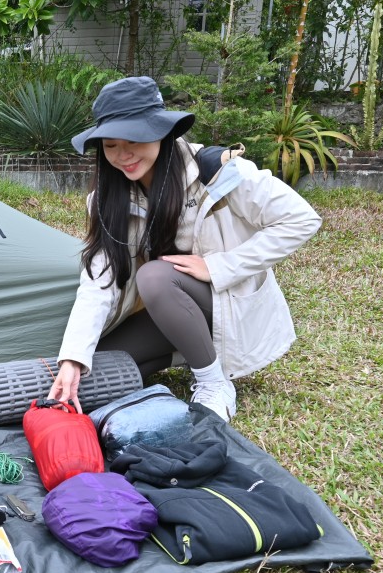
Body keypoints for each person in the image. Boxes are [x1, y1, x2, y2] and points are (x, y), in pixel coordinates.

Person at [48, 76, 322, 421]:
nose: (123, 155)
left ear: (161, 131)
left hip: (223, 306)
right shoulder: (106, 199)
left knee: (155, 277)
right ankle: (188, 353)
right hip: (169, 313)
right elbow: (99, 281)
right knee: (99, 366)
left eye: (134, 139)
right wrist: (74, 357)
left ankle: (214, 381)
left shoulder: (217, 171)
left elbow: (302, 219)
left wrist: (221, 266)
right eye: (110, 145)